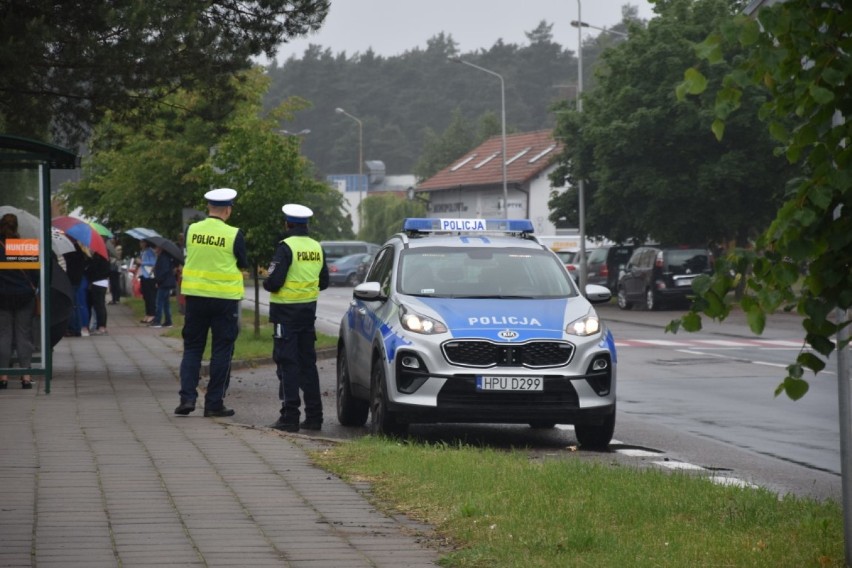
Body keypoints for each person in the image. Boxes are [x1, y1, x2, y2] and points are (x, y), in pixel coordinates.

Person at [175, 188, 248, 418]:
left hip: (195, 298)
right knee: (222, 350)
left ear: (208, 208)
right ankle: (214, 403)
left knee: (193, 348)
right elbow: (243, 262)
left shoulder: (191, 230)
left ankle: (187, 398)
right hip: (224, 301)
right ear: (228, 209)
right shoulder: (234, 233)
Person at [263, 204, 329, 432]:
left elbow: (273, 282)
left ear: (287, 223)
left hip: (285, 315)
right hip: (307, 314)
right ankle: (314, 417)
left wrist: (267, 278)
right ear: (306, 224)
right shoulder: (316, 247)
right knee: (308, 365)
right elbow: (325, 282)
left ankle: (289, 417)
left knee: (288, 364)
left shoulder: (286, 247)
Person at [0, 213, 38, 389]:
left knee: (3, 335)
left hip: (2, 297)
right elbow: (36, 277)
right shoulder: (24, 247)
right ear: (17, 227)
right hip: (24, 297)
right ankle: (26, 375)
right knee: (24, 335)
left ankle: (3, 376)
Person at [149, 244, 176, 328]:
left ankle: (157, 321)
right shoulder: (163, 257)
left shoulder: (163, 258)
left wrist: (158, 280)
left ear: (160, 248)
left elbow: (164, 271)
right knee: (166, 303)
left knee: (159, 302)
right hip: (166, 282)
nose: (155, 249)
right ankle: (168, 321)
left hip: (164, 283)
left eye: (156, 247)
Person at [85, 251, 110, 335]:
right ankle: (101, 326)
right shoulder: (104, 257)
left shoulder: (98, 258)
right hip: (102, 283)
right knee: (100, 305)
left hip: (97, 283)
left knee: (98, 305)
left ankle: (101, 326)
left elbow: (92, 270)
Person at [138, 239, 157, 324]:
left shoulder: (150, 251)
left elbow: (153, 262)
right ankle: (148, 313)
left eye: (142, 242)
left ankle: (152, 314)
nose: (140, 244)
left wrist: (142, 262)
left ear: (146, 243)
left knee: (150, 296)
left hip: (149, 275)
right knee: (145, 296)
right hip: (143, 275)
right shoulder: (143, 252)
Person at [106, 235, 122, 304]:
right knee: (112, 283)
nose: (111, 240)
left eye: (112, 239)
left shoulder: (118, 248)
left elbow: (116, 256)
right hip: (112, 266)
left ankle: (116, 298)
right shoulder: (111, 247)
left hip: (115, 267)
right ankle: (114, 298)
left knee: (115, 283)